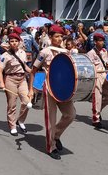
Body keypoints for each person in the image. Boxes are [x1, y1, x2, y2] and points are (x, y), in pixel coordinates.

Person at [28, 25, 76, 160]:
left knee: (71, 114)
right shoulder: (45, 52)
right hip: (49, 88)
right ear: (50, 37)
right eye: (56, 36)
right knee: (51, 119)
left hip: (63, 88)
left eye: (61, 36)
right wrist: (31, 89)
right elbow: (33, 71)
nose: (59, 39)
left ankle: (56, 135)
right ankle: (51, 147)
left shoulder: (66, 52)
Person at [0, 33, 31, 136]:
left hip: (22, 79)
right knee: (12, 104)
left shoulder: (23, 53)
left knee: (27, 102)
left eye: (16, 41)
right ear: (9, 43)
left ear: (19, 42)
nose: (14, 43)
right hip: (10, 79)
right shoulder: (4, 56)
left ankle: (20, 120)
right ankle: (12, 126)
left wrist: (33, 72)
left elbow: (25, 66)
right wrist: (1, 83)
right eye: (12, 41)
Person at [87, 33, 108, 128]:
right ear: (95, 42)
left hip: (105, 75)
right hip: (97, 76)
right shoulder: (91, 53)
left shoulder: (104, 51)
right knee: (97, 97)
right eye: (100, 41)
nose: (102, 43)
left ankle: (98, 111)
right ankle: (95, 119)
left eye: (103, 41)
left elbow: (107, 64)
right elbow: (89, 67)